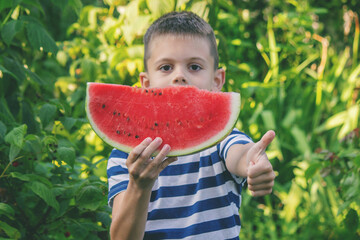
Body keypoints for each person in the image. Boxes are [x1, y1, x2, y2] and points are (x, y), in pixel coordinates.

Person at [107, 11, 276, 240]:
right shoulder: (128, 155)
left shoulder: (222, 140)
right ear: (146, 85)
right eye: (166, 67)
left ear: (217, 81)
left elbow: (240, 154)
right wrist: (139, 186)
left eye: (194, 67)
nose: (179, 76)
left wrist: (253, 163)